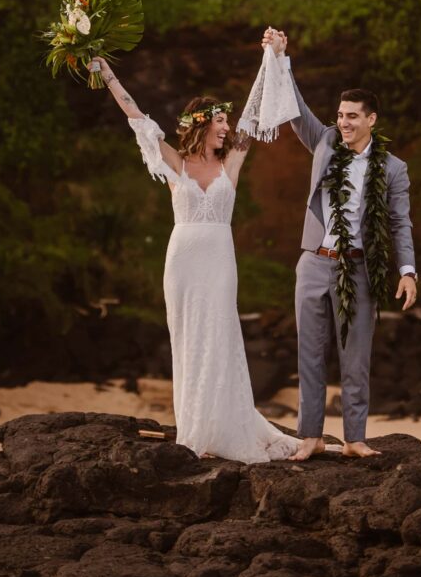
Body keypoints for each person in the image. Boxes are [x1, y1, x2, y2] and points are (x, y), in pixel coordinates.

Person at [89, 54, 298, 463]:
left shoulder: (231, 162)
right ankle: (195, 429)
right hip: (182, 260)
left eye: (226, 122)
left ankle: (225, 426)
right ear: (202, 123)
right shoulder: (176, 164)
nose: (227, 128)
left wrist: (269, 57)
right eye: (220, 122)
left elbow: (254, 116)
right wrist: (106, 72)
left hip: (219, 259)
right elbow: (134, 114)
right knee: (187, 341)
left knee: (219, 336)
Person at [261, 29, 418, 462]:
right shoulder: (325, 141)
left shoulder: (393, 169)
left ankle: (354, 438)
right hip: (314, 262)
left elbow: (400, 222)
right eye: (340, 114)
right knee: (308, 355)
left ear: (372, 120)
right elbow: (295, 112)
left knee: (355, 359)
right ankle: (310, 436)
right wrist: (281, 58)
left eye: (352, 116)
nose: (343, 121)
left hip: (360, 268)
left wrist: (407, 272)